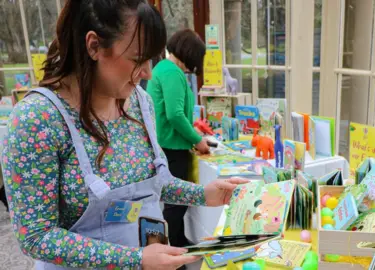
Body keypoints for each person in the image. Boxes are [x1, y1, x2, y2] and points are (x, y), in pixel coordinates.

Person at [1, 1, 248, 270]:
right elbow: (36, 237)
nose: (148, 73)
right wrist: (135, 259)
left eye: (152, 60)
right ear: (94, 46)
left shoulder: (139, 103)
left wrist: (204, 194)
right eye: (138, 59)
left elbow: (155, 184)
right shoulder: (38, 120)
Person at [147, 29, 209, 251]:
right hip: (173, 148)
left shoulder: (162, 68)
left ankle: (178, 241)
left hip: (167, 145)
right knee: (176, 204)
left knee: (175, 203)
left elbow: (170, 112)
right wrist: (197, 140)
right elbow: (174, 114)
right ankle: (174, 249)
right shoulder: (173, 72)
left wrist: (193, 129)